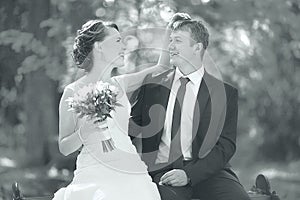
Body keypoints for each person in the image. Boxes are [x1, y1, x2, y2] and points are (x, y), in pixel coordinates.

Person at [129, 13, 250, 200]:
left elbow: (225, 146)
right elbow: (132, 126)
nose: (170, 46)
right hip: (164, 171)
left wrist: (189, 175)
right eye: (170, 40)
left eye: (177, 40)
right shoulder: (153, 85)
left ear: (197, 47)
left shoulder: (224, 93)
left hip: (210, 173)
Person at [53, 19, 166, 200]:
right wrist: (85, 131)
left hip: (131, 170)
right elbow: (64, 147)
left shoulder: (121, 84)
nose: (124, 47)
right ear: (99, 46)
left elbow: (161, 68)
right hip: (93, 172)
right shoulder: (72, 91)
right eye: (117, 41)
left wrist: (171, 30)